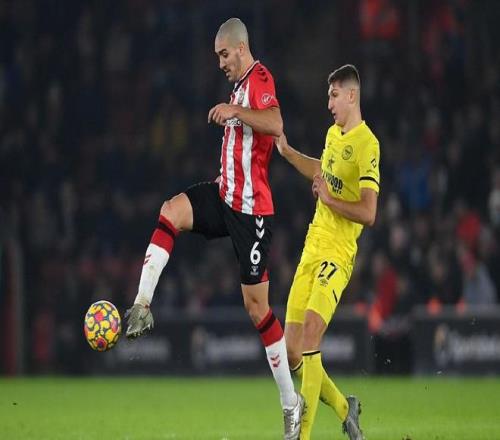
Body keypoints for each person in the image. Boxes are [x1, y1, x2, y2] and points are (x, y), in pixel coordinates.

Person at [125, 18, 304, 440]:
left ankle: (290, 404)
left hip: (252, 211)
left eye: (224, 54)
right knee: (171, 211)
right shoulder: (239, 86)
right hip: (224, 195)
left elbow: (276, 123)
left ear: (240, 48)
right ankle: (142, 304)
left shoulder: (259, 78)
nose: (220, 63)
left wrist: (235, 111)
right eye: (217, 56)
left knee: (257, 309)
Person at [275, 64, 380, 440]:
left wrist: (331, 199)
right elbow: (323, 171)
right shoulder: (333, 134)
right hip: (311, 248)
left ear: (351, 95)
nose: (329, 104)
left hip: (337, 254)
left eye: (334, 96)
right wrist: (288, 153)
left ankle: (301, 436)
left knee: (310, 338)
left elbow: (369, 212)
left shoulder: (368, 144)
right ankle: (344, 408)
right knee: (292, 352)